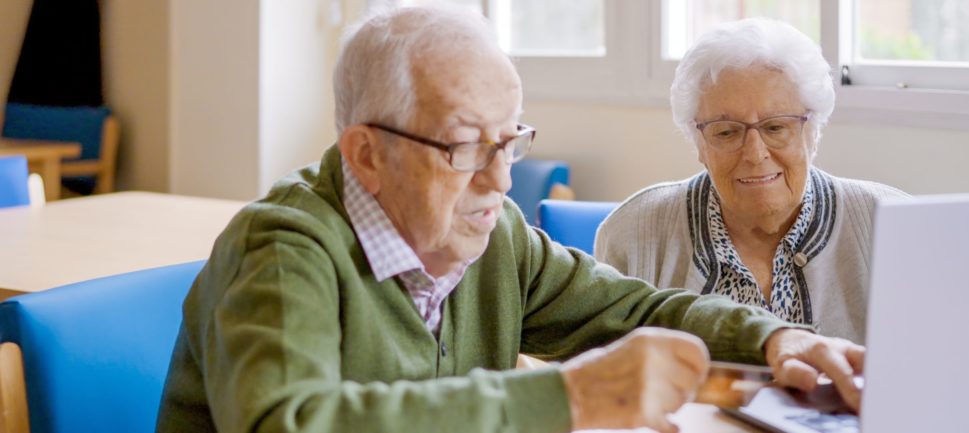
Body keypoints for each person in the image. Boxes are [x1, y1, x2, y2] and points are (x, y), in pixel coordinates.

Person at [156, 8, 866, 433]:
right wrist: (570, 393)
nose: (499, 180)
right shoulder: (284, 251)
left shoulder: (492, 237)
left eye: (509, 141)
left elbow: (634, 309)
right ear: (366, 155)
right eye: (467, 147)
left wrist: (775, 337)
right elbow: (292, 422)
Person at [595, 18, 909, 345]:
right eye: (726, 131)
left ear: (813, 133)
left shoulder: (892, 224)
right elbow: (604, 379)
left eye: (776, 128)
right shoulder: (632, 234)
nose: (755, 153)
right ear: (699, 144)